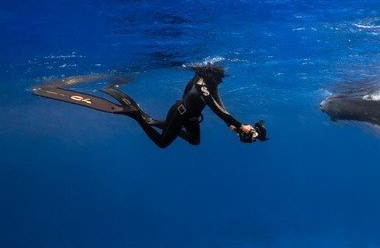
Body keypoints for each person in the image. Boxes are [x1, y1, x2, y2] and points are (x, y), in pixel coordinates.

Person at [32, 64, 267, 148]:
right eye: (220, 77)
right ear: (210, 75)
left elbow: (220, 105)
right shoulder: (201, 85)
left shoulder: (212, 83)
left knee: (195, 141)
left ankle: (154, 121)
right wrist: (239, 125)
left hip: (191, 118)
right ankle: (136, 116)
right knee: (163, 143)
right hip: (181, 113)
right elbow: (215, 110)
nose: (221, 80)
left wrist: (234, 127)